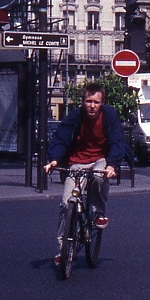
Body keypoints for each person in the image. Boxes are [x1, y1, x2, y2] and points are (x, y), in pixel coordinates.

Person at [43, 81, 129, 266]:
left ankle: (99, 213)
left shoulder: (109, 116)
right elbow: (61, 137)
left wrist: (112, 165)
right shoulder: (75, 116)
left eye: (96, 102)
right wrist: (54, 160)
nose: (92, 106)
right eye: (89, 101)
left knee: (99, 176)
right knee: (66, 205)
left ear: (102, 103)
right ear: (83, 102)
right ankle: (62, 251)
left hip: (100, 159)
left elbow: (117, 141)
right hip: (77, 162)